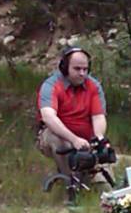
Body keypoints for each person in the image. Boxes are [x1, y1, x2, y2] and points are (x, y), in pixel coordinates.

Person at [36, 47, 108, 176]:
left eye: (85, 69)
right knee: (61, 143)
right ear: (65, 68)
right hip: (57, 136)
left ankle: (97, 183)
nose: (82, 73)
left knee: (104, 180)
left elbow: (98, 117)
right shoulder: (51, 86)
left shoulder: (94, 86)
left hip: (85, 138)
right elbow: (49, 118)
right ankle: (70, 179)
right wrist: (74, 140)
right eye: (77, 69)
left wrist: (99, 139)